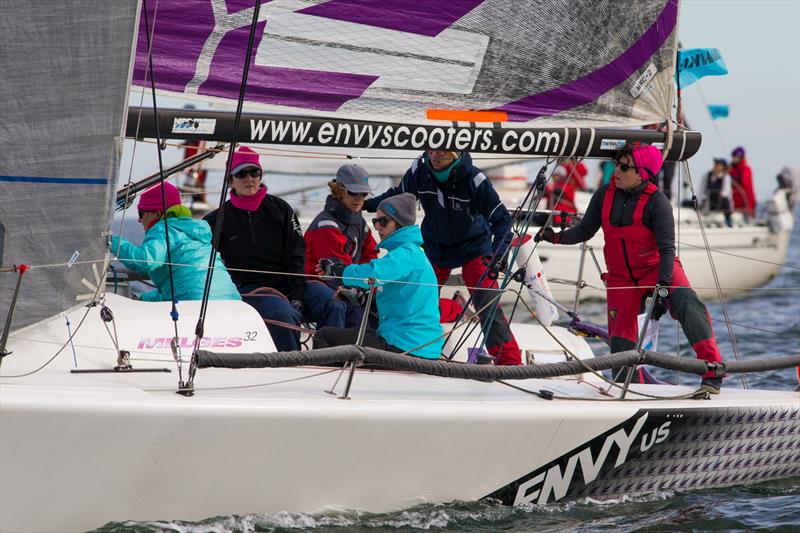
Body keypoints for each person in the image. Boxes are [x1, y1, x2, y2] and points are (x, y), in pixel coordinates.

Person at [536, 144, 724, 393]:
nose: (617, 170)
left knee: (688, 303)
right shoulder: (604, 195)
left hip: (656, 269)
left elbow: (668, 250)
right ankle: (629, 388)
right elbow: (584, 231)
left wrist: (664, 288)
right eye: (617, 163)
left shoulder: (658, 203)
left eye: (624, 166)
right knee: (622, 342)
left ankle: (713, 372)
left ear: (642, 173)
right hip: (621, 276)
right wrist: (555, 237)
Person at [364, 150, 522, 366]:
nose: (436, 156)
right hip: (436, 247)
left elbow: (503, 221)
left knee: (488, 306)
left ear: (456, 155)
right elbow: (396, 196)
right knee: (416, 298)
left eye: (444, 152)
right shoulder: (419, 170)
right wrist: (364, 204)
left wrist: (496, 257)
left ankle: (510, 363)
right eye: (432, 149)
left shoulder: (475, 179)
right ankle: (437, 331)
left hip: (473, 247)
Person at [204, 146, 344, 351]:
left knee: (334, 303)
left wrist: (296, 295)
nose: (249, 178)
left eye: (254, 172)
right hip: (251, 290)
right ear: (230, 180)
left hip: (292, 284)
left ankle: (331, 361)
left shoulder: (281, 209)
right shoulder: (217, 219)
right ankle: (290, 367)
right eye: (241, 174)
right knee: (283, 314)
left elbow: (296, 254)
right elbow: (198, 254)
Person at [313, 193, 444, 359]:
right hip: (410, 344)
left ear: (400, 224)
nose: (378, 227)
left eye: (383, 221)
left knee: (324, 336)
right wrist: (362, 299)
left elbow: (373, 274)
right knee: (351, 335)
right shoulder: (410, 254)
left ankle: (327, 384)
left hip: (406, 347)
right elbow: (400, 303)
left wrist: (337, 272)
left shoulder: (407, 253)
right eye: (375, 221)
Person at [111, 182, 240, 302]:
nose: (139, 220)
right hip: (232, 303)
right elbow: (176, 292)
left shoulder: (164, 229)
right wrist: (142, 299)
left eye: (141, 213)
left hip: (196, 306)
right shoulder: (192, 232)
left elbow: (145, 261)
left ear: (157, 214)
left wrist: (110, 240)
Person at [304, 164, 378, 326]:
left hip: (346, 284)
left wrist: (366, 288)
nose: (359, 198)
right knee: (342, 306)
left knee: (375, 307)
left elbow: (370, 256)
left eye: (364, 193)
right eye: (353, 192)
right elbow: (336, 270)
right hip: (315, 285)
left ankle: (359, 350)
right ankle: (331, 351)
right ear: (339, 190)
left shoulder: (360, 224)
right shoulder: (326, 225)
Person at [702, 158, 733, 227]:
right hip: (709, 200)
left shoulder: (726, 177)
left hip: (720, 202)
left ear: (723, 167)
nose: (716, 166)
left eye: (718, 165)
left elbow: (726, 192)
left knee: (725, 200)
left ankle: (728, 221)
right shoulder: (707, 176)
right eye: (715, 164)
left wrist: (717, 193)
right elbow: (701, 189)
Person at [730, 146, 756, 219]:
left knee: (747, 219)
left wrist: (732, 177)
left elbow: (744, 182)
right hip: (736, 203)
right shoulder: (732, 169)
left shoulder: (746, 169)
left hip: (746, 203)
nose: (734, 159)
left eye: (736, 157)